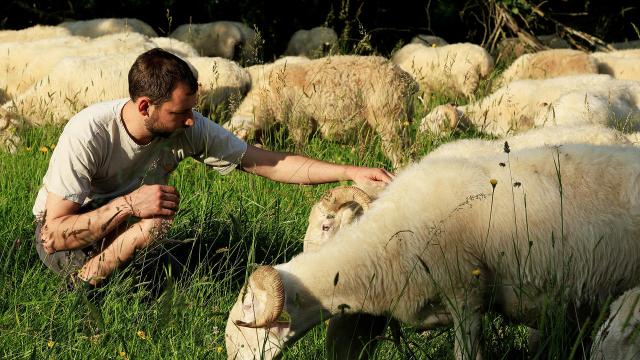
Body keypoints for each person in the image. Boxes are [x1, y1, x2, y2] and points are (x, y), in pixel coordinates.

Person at [32, 48, 394, 286]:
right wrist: (130, 205)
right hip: (69, 239)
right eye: (179, 112)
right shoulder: (89, 132)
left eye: (191, 110)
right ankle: (82, 289)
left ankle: (125, 278)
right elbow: (53, 235)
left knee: (166, 243)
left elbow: (267, 162)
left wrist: (349, 171)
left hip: (128, 229)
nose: (191, 121)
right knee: (154, 227)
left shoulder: (187, 125)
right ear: (145, 107)